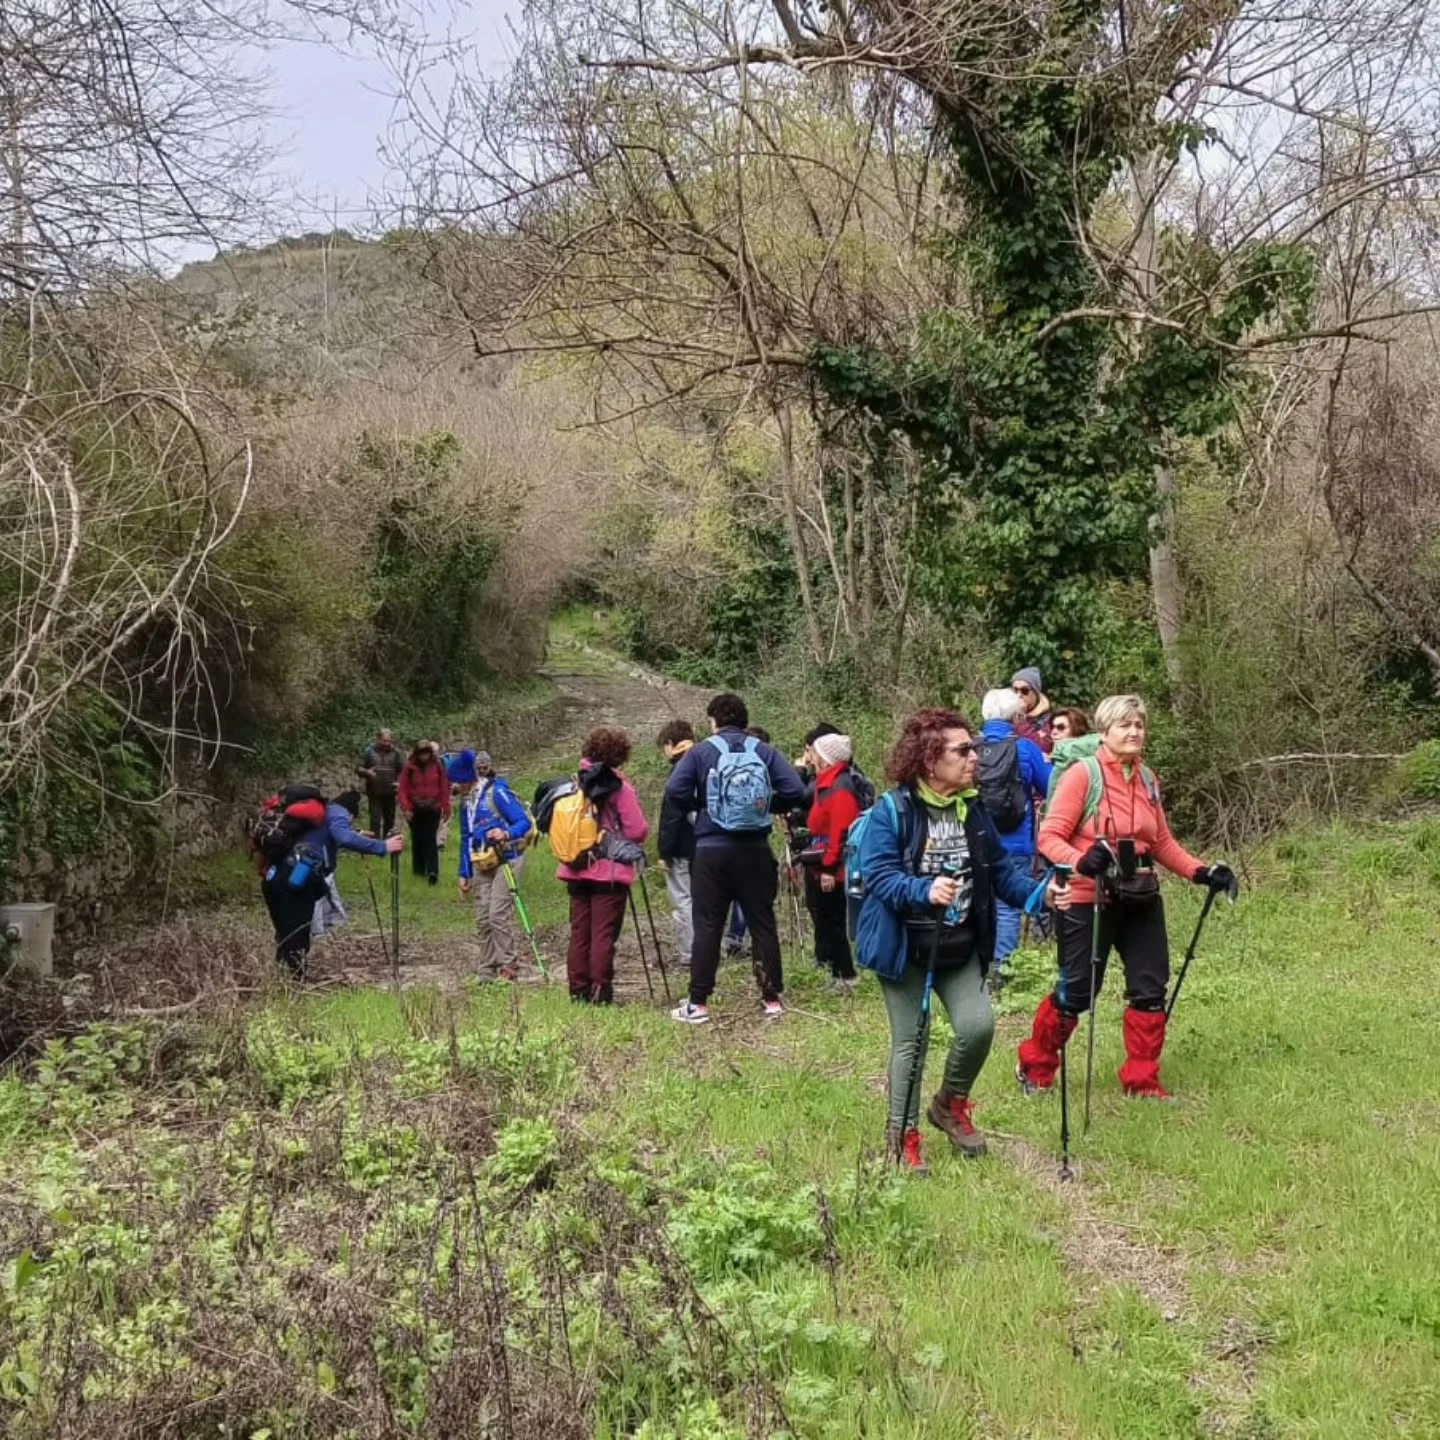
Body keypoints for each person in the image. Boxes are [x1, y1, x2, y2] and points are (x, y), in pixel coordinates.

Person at [854, 709, 1069, 1172]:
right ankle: (903, 1135)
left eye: (971, 748)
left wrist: (1041, 894)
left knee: (978, 1027)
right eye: (963, 750)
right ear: (930, 760)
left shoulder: (972, 808)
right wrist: (923, 890)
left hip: (958, 944)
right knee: (912, 1040)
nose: (975, 757)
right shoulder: (893, 810)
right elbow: (879, 877)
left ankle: (949, 1105)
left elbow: (1000, 874)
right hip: (906, 947)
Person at [1017, 695, 1235, 1100]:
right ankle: (1036, 1064)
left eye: (1139, 725)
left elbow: (1162, 841)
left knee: (1150, 989)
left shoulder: (1148, 779)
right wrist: (1083, 861)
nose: (1134, 732)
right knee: (1077, 992)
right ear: (1104, 731)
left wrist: (1202, 872)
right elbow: (1048, 837)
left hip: (1141, 894)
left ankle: (1142, 1081)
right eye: (1124, 725)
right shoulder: (1083, 776)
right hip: (1088, 896)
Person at [665, 692, 806, 1024]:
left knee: (708, 925)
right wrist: (765, 807)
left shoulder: (701, 752)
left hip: (711, 851)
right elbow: (796, 791)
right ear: (744, 720)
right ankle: (772, 999)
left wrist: (702, 807)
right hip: (755, 849)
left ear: (713, 722)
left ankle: (698, 1003)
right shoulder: (764, 751)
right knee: (762, 922)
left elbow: (674, 791)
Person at [261, 788, 401, 979]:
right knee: (298, 930)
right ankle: (296, 983)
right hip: (298, 875)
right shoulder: (338, 812)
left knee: (285, 929)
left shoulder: (310, 818)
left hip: (273, 875)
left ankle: (281, 977)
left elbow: (324, 835)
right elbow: (342, 836)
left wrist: (357, 834)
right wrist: (383, 846)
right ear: (349, 812)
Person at [558, 728, 649, 1004]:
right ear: (620, 757)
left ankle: (578, 990)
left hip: (575, 866)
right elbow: (637, 830)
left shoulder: (574, 783)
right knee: (603, 934)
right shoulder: (619, 787)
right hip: (608, 872)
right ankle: (601, 991)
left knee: (580, 932)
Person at [978, 688, 1053, 982]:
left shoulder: (968, 749)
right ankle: (1002, 970)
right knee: (1008, 906)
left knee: (976, 899)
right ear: (1016, 717)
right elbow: (1051, 788)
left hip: (975, 838)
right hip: (1016, 840)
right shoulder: (1025, 749)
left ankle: (978, 965)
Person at [451, 748, 535, 982]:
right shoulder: (466, 803)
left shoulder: (496, 793)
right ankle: (487, 969)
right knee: (482, 916)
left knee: (497, 914)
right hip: (482, 860)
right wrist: (463, 872)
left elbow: (523, 822)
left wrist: (505, 832)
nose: (455, 787)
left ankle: (508, 965)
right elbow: (466, 838)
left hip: (507, 857)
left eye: (459, 781)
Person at [803, 731, 862, 991]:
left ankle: (846, 975)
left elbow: (841, 832)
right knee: (827, 919)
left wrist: (829, 868)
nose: (811, 757)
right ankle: (838, 973)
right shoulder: (828, 783)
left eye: (815, 752)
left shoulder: (838, 788)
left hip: (834, 866)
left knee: (834, 921)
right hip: (826, 860)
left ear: (826, 758)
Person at [656, 719, 699, 970]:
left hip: (682, 847)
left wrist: (665, 850)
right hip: (705, 843)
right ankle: (709, 949)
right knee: (703, 899)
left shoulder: (679, 771)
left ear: (671, 744)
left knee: (683, 899)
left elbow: (671, 816)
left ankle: (690, 954)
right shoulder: (704, 761)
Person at [398, 740, 451, 884]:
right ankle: (419, 870)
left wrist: (446, 806)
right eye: (421, 753)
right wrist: (406, 808)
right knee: (417, 839)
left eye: (426, 753)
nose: (424, 757)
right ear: (417, 753)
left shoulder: (438, 766)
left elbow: (444, 786)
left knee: (430, 838)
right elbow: (403, 789)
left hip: (433, 807)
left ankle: (433, 871)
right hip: (415, 809)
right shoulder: (409, 768)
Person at [358, 728, 402, 837]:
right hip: (374, 791)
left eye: (389, 741)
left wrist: (399, 782)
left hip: (390, 791)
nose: (387, 743)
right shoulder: (369, 751)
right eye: (384, 740)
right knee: (375, 819)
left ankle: (389, 843)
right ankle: (374, 843)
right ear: (378, 739)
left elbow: (403, 770)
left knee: (389, 819)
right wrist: (367, 772)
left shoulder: (396, 752)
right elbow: (358, 768)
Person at [1011, 668, 1055, 755]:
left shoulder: (1048, 719)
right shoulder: (1008, 714)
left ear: (1035, 693)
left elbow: (1042, 748)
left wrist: (1021, 721)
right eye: (1015, 690)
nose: (1018, 695)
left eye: (1024, 690)